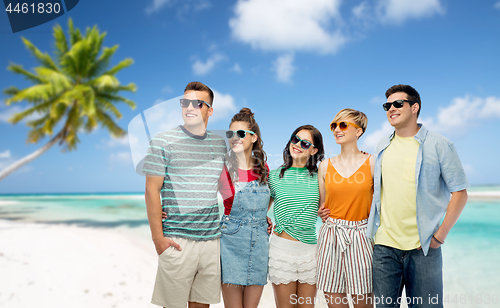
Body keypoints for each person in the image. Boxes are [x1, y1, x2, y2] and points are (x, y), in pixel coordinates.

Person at [366, 84, 469, 307]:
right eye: (387, 105)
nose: (391, 109)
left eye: (397, 104)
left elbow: (460, 193)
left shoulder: (440, 144)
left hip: (424, 248)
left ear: (415, 107)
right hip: (384, 247)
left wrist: (439, 237)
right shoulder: (382, 145)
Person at [143, 81, 227, 308]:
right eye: (185, 102)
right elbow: (152, 190)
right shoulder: (162, 141)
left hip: (211, 241)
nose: (190, 108)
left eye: (197, 103)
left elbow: (226, 189)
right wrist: (157, 239)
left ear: (209, 110)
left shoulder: (220, 145)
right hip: (177, 241)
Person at [316, 109, 374, 308]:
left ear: (359, 131)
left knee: (363, 301)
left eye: (343, 125)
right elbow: (322, 206)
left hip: (362, 236)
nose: (336, 130)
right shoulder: (324, 166)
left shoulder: (373, 163)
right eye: (334, 126)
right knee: (334, 300)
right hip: (331, 236)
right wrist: (320, 211)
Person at [217, 107, 271, 308]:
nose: (234, 138)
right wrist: (166, 209)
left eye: (241, 133)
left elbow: (271, 197)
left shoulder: (263, 169)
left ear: (254, 137)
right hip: (230, 241)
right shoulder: (223, 167)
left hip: (259, 243)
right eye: (231, 134)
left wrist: (263, 215)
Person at [268, 125, 325, 308]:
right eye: (295, 139)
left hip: (310, 253)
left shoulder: (321, 176)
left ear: (314, 150)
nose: (297, 144)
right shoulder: (274, 176)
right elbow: (260, 210)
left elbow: (328, 207)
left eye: (305, 143)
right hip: (281, 251)